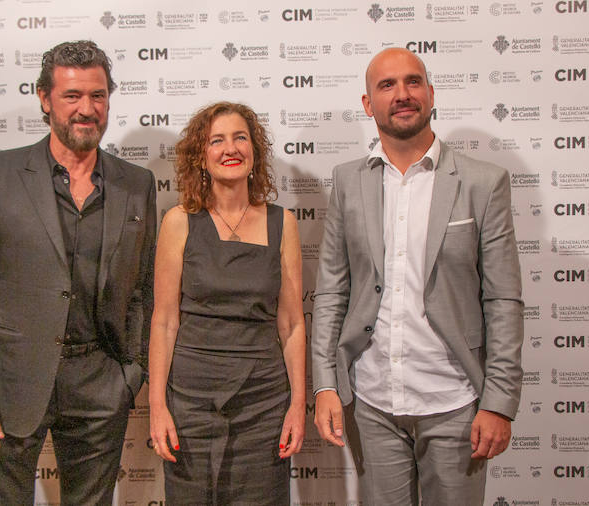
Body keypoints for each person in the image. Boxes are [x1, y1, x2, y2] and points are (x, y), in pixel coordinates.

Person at [310, 48, 524, 505]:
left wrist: (498, 402)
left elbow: (503, 301)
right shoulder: (348, 180)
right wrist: (326, 384)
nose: (402, 94)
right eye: (386, 85)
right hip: (372, 403)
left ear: (430, 94)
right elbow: (332, 290)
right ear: (368, 104)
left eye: (413, 82)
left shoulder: (483, 182)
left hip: (457, 402)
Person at [0, 40, 156, 505]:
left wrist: (131, 373)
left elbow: (142, 288)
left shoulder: (137, 183)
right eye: (72, 96)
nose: (87, 109)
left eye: (98, 96)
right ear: (44, 99)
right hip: (9, 384)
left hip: (101, 385)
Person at [148, 102, 306, 505]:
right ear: (202, 156)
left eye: (240, 137)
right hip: (190, 406)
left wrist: (297, 406)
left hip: (265, 404)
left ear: (253, 152)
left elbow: (291, 324)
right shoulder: (179, 222)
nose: (229, 148)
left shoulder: (282, 222)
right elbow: (164, 322)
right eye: (216, 140)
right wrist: (157, 407)